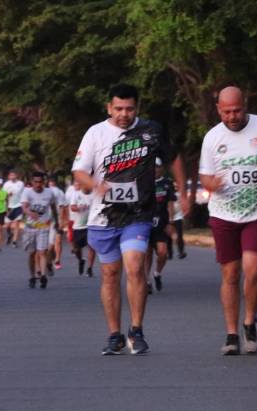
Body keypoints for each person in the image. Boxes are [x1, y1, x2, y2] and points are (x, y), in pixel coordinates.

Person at [72, 83, 188, 356]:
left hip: (139, 213)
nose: (124, 114)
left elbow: (174, 158)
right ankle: (115, 334)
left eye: (130, 108)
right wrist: (95, 185)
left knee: (135, 267)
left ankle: (136, 330)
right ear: (109, 108)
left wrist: (184, 191)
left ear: (137, 108)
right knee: (110, 274)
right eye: (119, 108)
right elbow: (79, 171)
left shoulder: (150, 130)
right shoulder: (96, 133)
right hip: (103, 215)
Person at [198, 86, 257, 356]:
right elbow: (205, 176)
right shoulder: (212, 137)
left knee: (253, 270)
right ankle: (231, 334)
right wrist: (212, 184)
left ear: (246, 105)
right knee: (230, 274)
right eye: (227, 111)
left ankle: (249, 322)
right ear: (219, 109)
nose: (233, 116)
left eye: (237, 110)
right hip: (223, 214)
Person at [21, 172, 59, 289]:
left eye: (40, 182)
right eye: (35, 182)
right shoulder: (27, 192)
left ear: (44, 182)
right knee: (32, 253)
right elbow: (24, 207)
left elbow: (53, 208)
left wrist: (57, 222)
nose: (38, 184)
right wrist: (30, 213)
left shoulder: (49, 193)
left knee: (42, 252)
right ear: (32, 182)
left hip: (43, 226)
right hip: (30, 227)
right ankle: (32, 276)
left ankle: (43, 275)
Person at [145, 158, 176, 294]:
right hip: (146, 223)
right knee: (147, 253)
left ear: (162, 168)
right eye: (153, 167)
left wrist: (171, 222)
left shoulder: (167, 183)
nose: (155, 169)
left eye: (158, 167)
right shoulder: (144, 183)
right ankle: (146, 281)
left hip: (162, 224)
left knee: (163, 252)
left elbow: (170, 204)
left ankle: (157, 273)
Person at [66, 180, 96, 277]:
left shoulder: (94, 194)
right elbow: (72, 207)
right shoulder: (75, 194)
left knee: (92, 247)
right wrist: (80, 208)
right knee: (76, 249)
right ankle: (81, 260)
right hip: (78, 226)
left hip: (91, 225)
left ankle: (89, 268)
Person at [46, 177, 68, 274]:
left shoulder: (46, 191)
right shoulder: (60, 192)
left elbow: (62, 206)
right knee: (56, 242)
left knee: (51, 243)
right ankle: (55, 260)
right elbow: (63, 207)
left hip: (48, 220)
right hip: (55, 220)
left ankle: (50, 261)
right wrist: (64, 220)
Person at [4, 170, 25, 247]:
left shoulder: (21, 184)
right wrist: (7, 195)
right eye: (11, 175)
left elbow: (24, 194)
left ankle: (14, 241)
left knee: (17, 223)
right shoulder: (6, 184)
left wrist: (24, 206)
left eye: (14, 175)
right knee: (7, 225)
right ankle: (10, 234)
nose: (12, 176)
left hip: (18, 205)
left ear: (17, 175)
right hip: (9, 206)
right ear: (8, 176)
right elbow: (4, 196)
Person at [167, 187, 187, 260]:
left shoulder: (178, 195)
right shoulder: (166, 195)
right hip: (168, 217)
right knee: (168, 237)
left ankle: (181, 252)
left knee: (179, 235)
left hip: (178, 217)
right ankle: (170, 253)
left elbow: (183, 204)